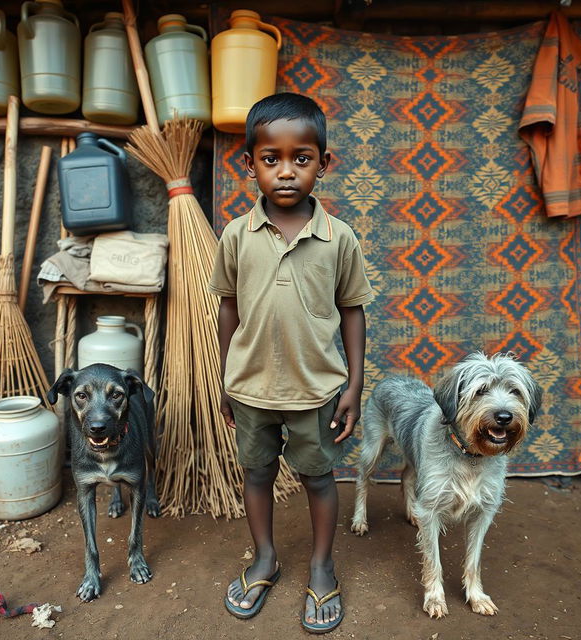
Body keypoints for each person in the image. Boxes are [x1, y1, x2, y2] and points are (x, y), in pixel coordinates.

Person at [209, 92, 373, 633]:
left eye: (301, 158)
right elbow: (228, 307)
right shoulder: (235, 235)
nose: (285, 172)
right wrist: (226, 377)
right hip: (252, 388)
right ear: (250, 163)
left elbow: (352, 312)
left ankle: (322, 566)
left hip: (317, 390)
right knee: (256, 473)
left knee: (319, 478)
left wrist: (353, 385)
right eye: (270, 159)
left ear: (323, 164)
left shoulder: (338, 238)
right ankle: (264, 559)